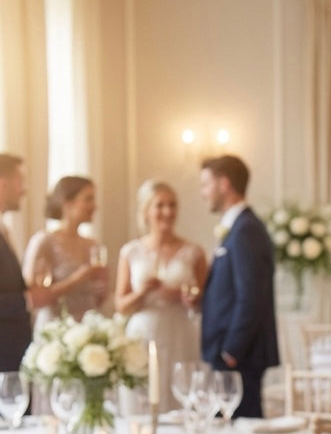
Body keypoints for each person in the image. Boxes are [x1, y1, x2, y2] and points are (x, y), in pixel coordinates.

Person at [115, 180, 207, 410]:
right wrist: (142, 292)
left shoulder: (194, 252)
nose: (168, 211)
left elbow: (206, 300)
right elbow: (121, 305)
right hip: (142, 333)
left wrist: (187, 298)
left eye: (172, 205)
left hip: (181, 332)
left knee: (181, 393)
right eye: (160, 205)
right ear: (146, 210)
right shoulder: (130, 252)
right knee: (141, 396)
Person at [199, 154, 278, 418]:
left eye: (206, 184)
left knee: (242, 432)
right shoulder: (237, 227)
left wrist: (232, 349)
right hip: (232, 354)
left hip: (240, 356)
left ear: (224, 184)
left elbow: (252, 295)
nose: (203, 193)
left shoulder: (246, 230)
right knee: (226, 429)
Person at [22, 175, 109, 330]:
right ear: (67, 203)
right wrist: (77, 279)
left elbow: (98, 299)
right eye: (88, 199)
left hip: (88, 329)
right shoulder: (44, 242)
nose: (95, 205)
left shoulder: (93, 244)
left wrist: (101, 290)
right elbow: (33, 299)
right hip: (55, 331)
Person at [0, 154, 32, 371]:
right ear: (3, 183)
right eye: (20, 181)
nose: (24, 190)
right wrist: (27, 299)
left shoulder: (5, 228)